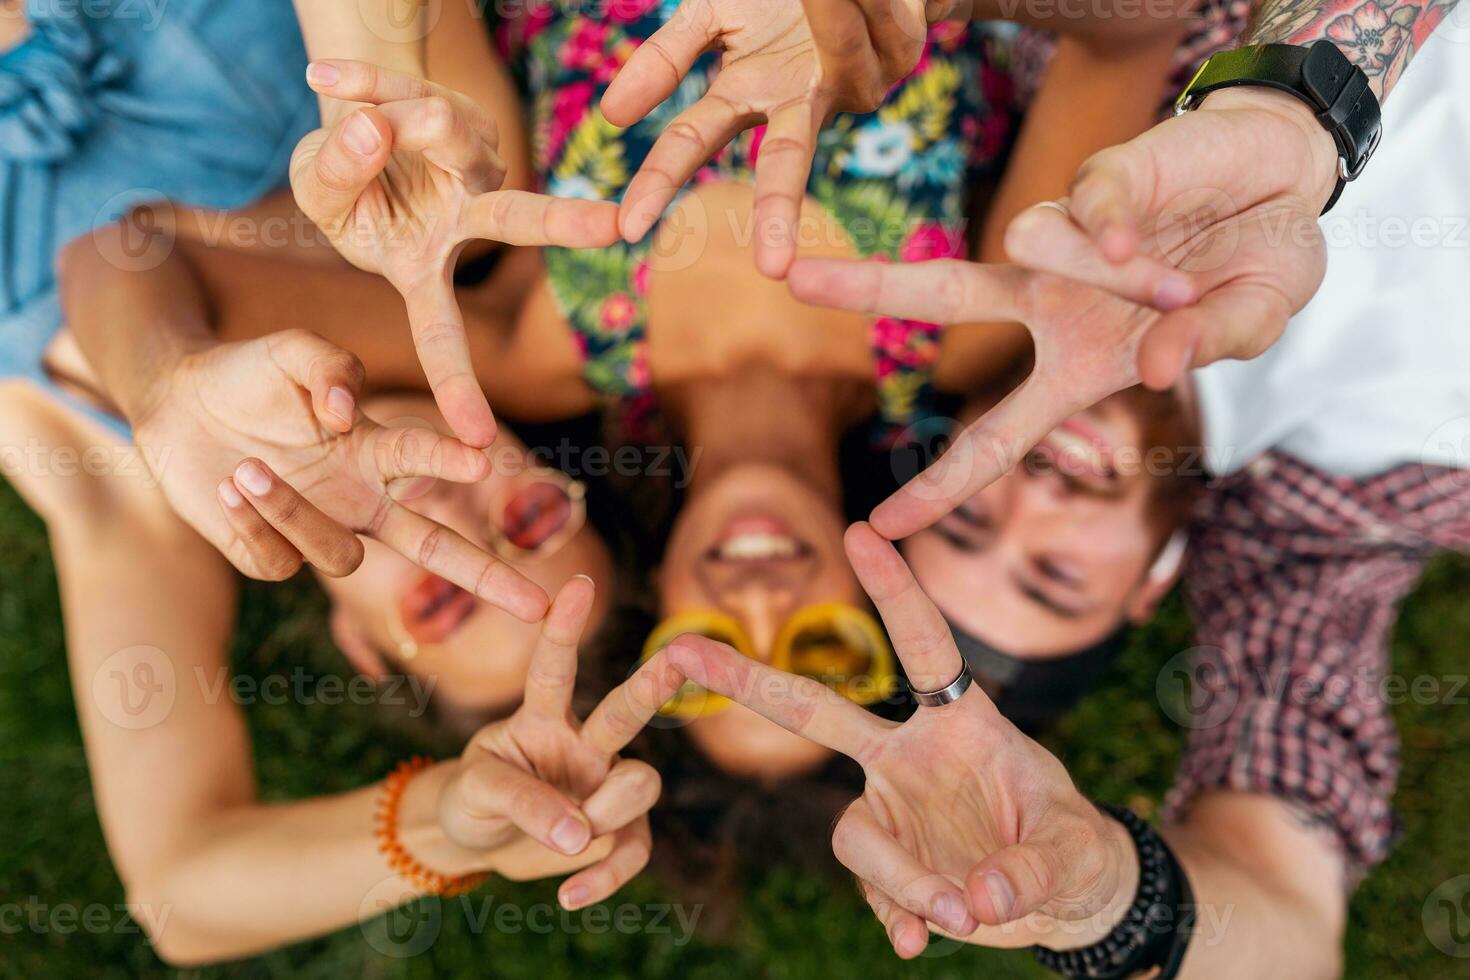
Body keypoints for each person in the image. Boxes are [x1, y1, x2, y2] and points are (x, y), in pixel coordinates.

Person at [711, 14, 1470, 976]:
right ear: (1150, 584)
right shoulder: (1324, 537)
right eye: (1057, 576)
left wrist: (1286, 99)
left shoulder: (1101, 171)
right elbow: (1291, 918)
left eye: (973, 514)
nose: (1038, 500)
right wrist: (1110, 898)